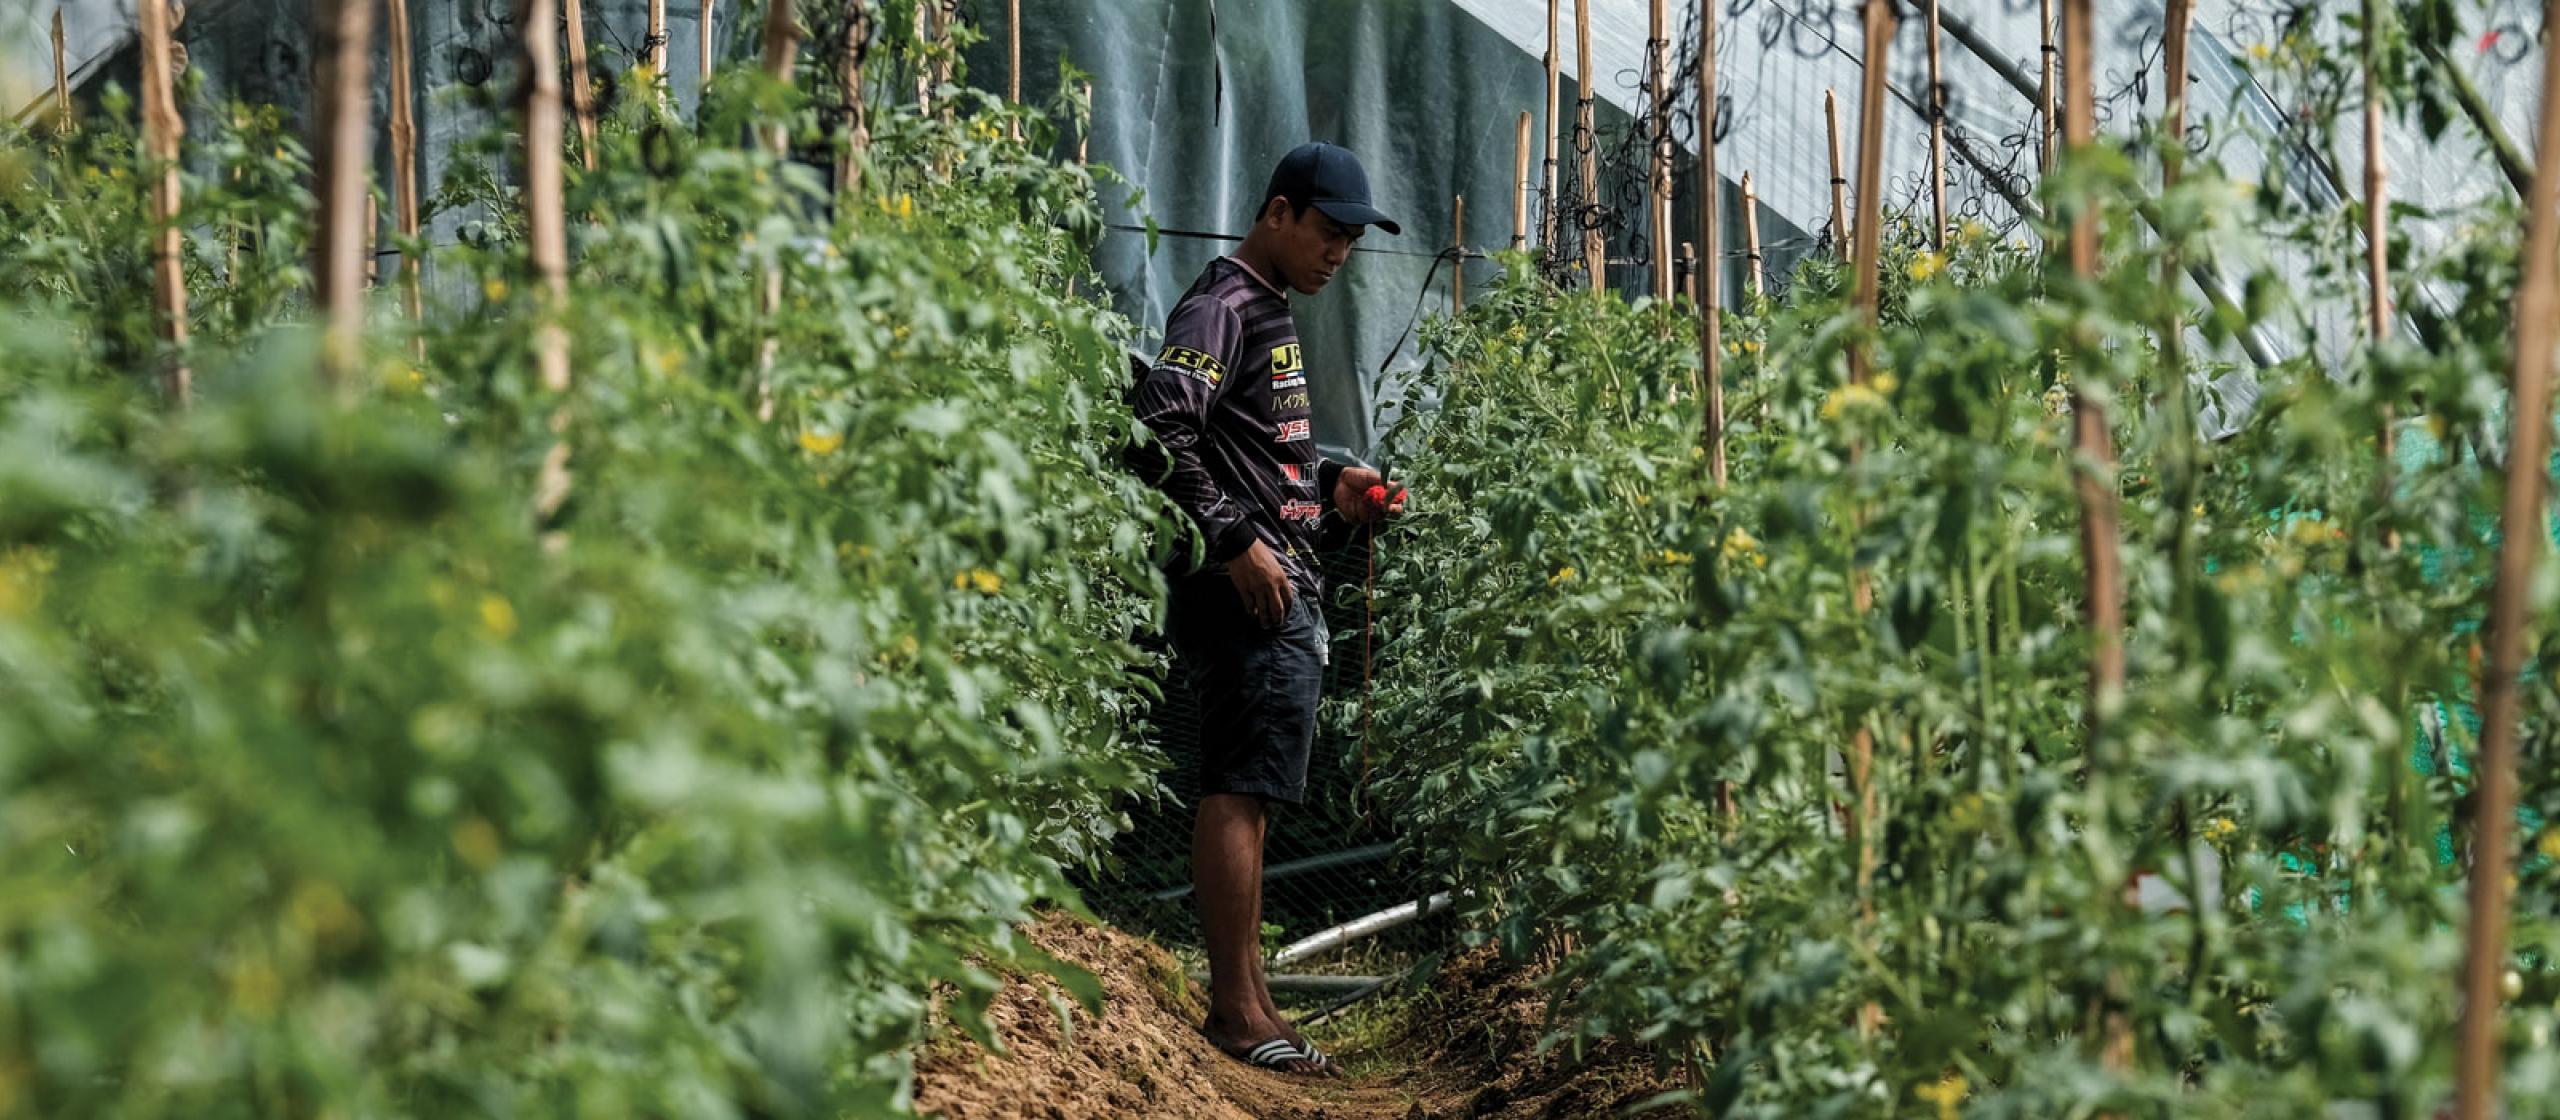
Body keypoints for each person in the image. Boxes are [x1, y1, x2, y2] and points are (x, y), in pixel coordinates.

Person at [1125, 142, 1409, 1077]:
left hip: (1279, 577)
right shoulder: (1222, 304)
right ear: (1277, 212)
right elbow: (1161, 424)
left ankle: (1250, 1000)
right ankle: (1238, 1014)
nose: (1339, 254)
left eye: (1352, 242)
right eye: (1328, 233)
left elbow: (1254, 449)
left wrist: (1333, 480)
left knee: (1253, 787)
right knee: (1239, 789)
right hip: (1252, 586)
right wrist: (1235, 540)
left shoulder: (1266, 310)